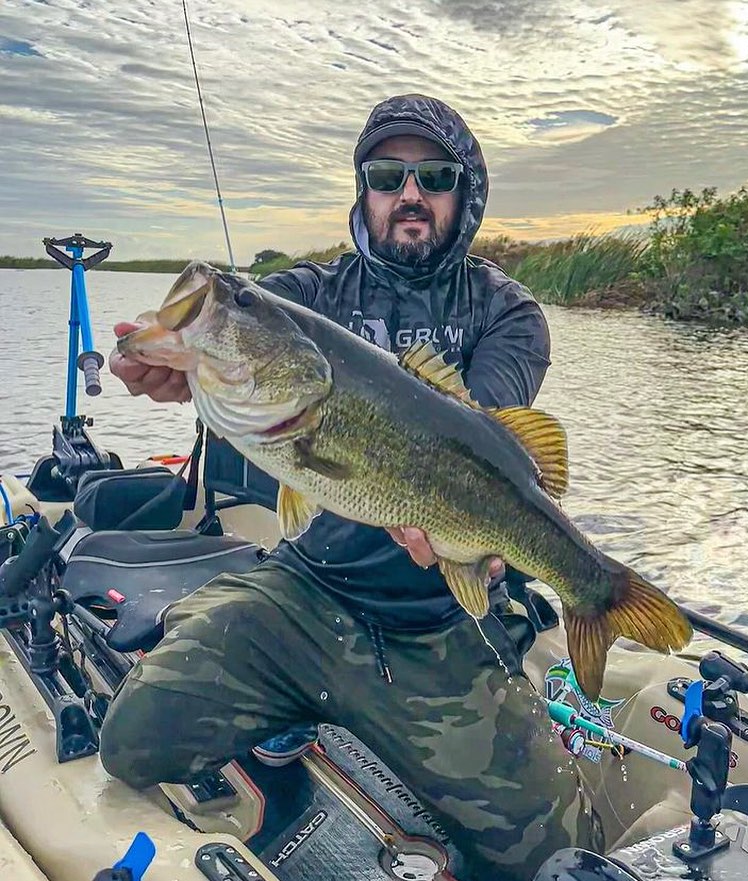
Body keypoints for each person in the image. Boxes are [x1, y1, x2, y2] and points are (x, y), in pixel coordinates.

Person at [100, 94, 605, 880]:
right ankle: (287, 700)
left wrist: (466, 539)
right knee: (132, 740)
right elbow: (247, 351)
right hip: (305, 591)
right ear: (362, 191)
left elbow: (490, 445)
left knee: (550, 854)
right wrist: (175, 364)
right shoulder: (304, 294)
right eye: (385, 174)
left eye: (433, 175)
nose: (409, 193)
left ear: (463, 193)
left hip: (433, 621)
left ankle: (582, 604)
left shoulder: (507, 312)